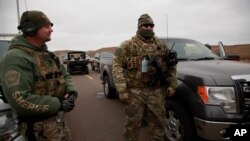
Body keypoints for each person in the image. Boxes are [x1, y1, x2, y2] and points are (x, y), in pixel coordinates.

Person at [0, 10, 78, 141]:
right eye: (47, 26)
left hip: (57, 125)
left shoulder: (48, 54)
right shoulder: (15, 57)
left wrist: (71, 93)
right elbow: (20, 99)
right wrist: (58, 104)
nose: (51, 30)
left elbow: (65, 75)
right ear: (30, 29)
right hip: (38, 131)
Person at [112, 13, 177, 141]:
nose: (148, 28)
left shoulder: (161, 45)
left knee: (158, 125)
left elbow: (171, 65)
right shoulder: (127, 45)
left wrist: (172, 84)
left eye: (151, 25)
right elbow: (117, 66)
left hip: (157, 92)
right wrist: (122, 89)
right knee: (133, 126)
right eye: (145, 25)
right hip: (135, 92)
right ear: (139, 26)